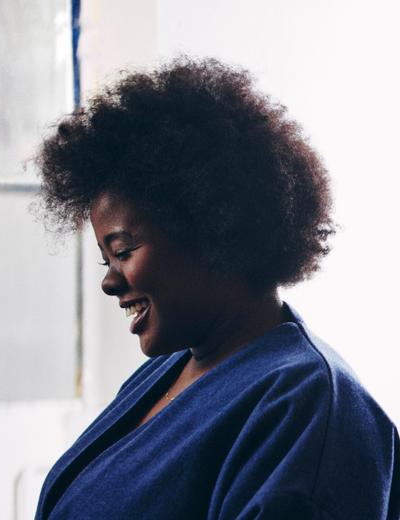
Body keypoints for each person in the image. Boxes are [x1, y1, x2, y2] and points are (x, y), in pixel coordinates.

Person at [34, 58, 399, 519]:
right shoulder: (168, 370)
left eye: (123, 251)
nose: (109, 282)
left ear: (211, 228)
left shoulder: (307, 405)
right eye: (106, 260)